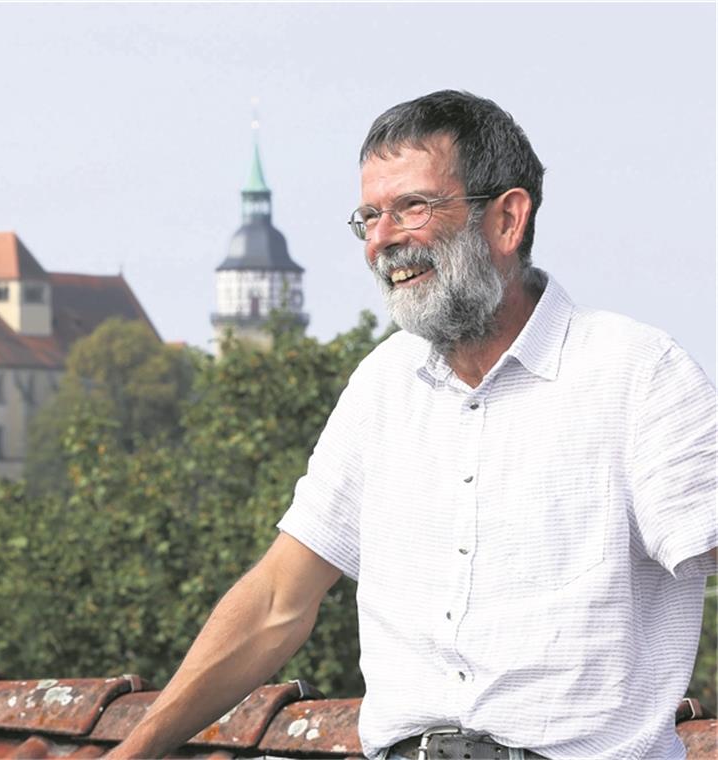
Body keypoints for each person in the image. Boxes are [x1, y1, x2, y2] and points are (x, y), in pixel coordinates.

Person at [109, 90, 717, 760]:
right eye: (368, 216)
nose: (381, 240)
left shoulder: (636, 373)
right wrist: (128, 755)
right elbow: (277, 601)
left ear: (506, 220)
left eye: (412, 208)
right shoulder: (380, 385)